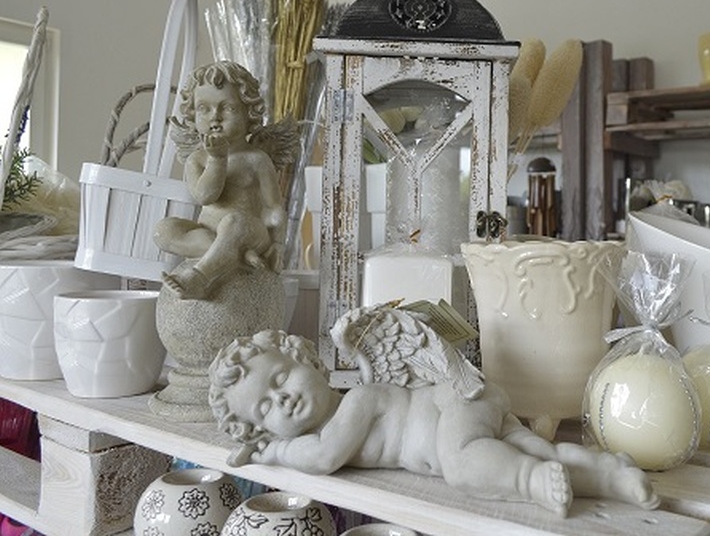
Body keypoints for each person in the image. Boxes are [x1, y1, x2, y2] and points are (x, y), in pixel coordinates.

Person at [209, 329, 660, 517]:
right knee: (538, 449)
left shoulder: (359, 400)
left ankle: (531, 483)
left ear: (308, 359)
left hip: (455, 406)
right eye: (265, 409)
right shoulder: (334, 420)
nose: (282, 399)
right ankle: (611, 476)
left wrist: (274, 452)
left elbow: (324, 457)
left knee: (465, 467)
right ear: (262, 426)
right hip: (471, 422)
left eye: (280, 379)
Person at [153, 61, 287, 300]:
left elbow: (273, 206)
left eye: (228, 108)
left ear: (249, 113)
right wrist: (217, 160)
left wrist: (278, 243)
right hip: (207, 233)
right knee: (163, 231)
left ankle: (199, 278)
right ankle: (236, 255)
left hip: (249, 231)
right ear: (192, 113)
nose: (215, 117)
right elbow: (205, 196)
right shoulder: (197, 159)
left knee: (234, 222)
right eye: (203, 108)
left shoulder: (256, 159)